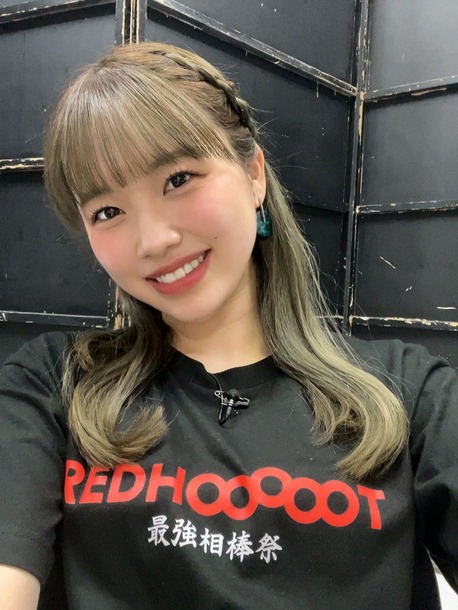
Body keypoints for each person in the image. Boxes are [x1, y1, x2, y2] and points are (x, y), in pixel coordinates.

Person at [0, 42, 456, 610]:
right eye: (107, 212)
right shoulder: (52, 384)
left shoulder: (411, 394)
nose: (154, 241)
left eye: (178, 179)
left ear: (254, 174)